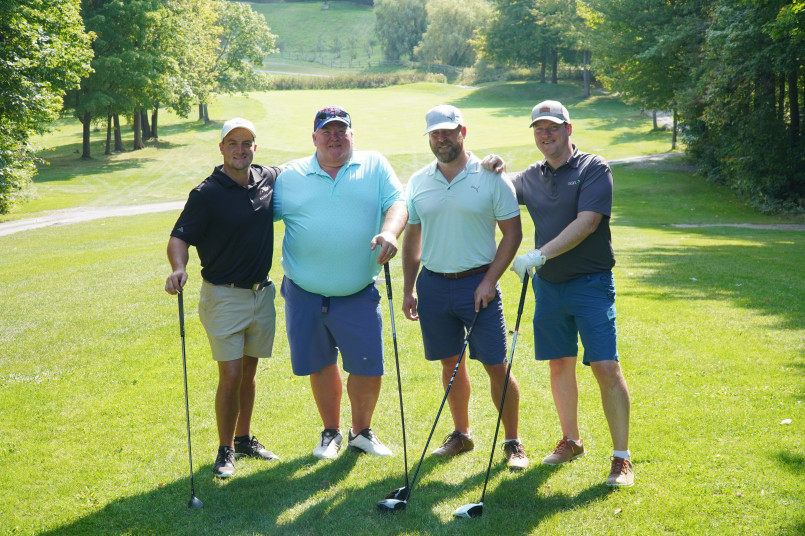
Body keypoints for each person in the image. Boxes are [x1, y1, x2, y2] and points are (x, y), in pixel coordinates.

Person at [484, 100, 634, 486]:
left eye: (552, 127)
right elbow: (498, 192)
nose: (545, 134)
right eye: (538, 129)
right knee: (559, 363)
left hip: (590, 283)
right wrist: (492, 167)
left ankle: (621, 458)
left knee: (605, 367)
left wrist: (539, 254)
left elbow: (587, 223)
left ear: (569, 128)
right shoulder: (530, 177)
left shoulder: (593, 168)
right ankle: (571, 440)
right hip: (550, 288)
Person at [274, 105, 407, 460]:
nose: (334, 137)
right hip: (305, 292)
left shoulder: (374, 165)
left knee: (367, 364)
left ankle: (361, 432)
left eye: (341, 130)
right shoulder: (289, 176)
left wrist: (390, 232)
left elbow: (397, 202)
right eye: (327, 131)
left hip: (357, 291)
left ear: (351, 134)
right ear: (314, 137)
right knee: (320, 363)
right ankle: (330, 433)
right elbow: (254, 211)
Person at [401, 104, 529, 471]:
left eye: (448, 132)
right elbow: (414, 234)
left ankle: (512, 441)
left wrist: (490, 281)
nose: (441, 139)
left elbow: (513, 234)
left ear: (463, 132)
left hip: (478, 284)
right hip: (434, 285)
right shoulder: (420, 180)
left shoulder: (491, 176)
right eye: (435, 134)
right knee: (450, 364)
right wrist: (410, 287)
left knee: (495, 365)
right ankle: (461, 434)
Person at [164, 118, 281, 478]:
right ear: (221, 148)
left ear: (255, 148)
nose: (240, 149)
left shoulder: (267, 178)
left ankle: (244, 438)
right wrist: (178, 267)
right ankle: (225, 449)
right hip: (223, 297)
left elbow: (300, 168)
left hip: (260, 295)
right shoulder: (206, 194)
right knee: (230, 375)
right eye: (233, 143)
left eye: (247, 143)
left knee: (249, 372)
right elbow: (178, 237)